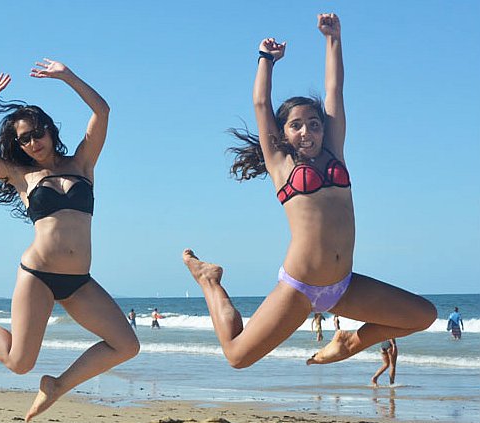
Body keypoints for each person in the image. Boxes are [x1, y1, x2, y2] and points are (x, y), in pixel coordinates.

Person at [182, 13, 436, 370]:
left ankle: (349, 341)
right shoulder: (281, 164)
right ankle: (209, 281)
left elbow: (335, 90)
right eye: (296, 125)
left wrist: (333, 39)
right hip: (299, 288)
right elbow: (260, 104)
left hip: (344, 285)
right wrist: (265, 60)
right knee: (237, 356)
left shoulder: (334, 151)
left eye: (313, 125)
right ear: (283, 133)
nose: (306, 132)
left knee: (423, 314)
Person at [0, 59, 139, 422]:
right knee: (19, 362)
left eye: (37, 133)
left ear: (49, 129)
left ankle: (57, 386)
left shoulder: (82, 164)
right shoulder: (20, 175)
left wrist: (67, 76)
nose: (33, 142)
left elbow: (102, 111)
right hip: (38, 274)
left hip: (79, 281)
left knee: (127, 345)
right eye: (24, 138)